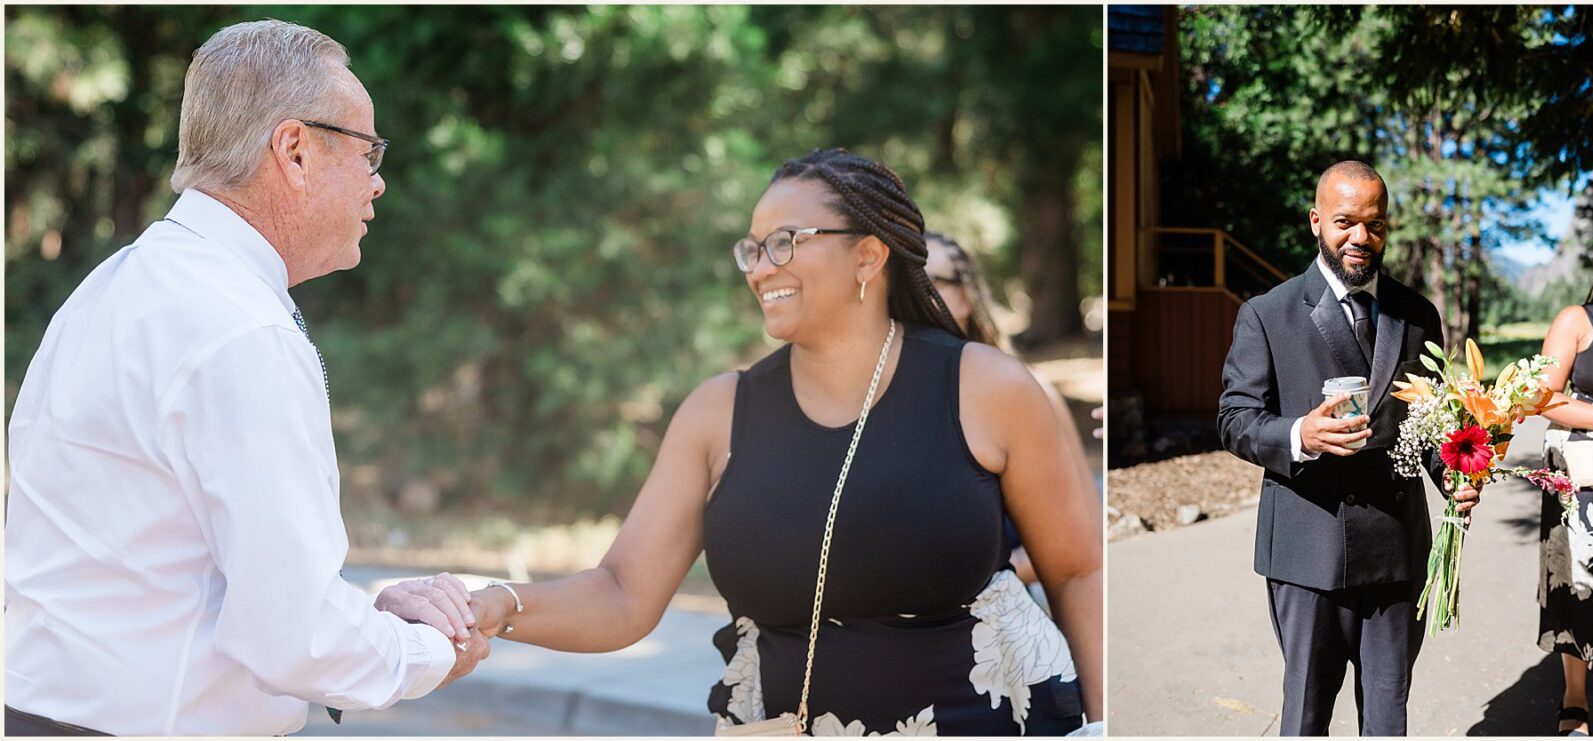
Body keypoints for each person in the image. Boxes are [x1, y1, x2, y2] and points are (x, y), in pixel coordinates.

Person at [465, 149, 1104, 735]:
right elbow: (622, 594)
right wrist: (497, 606)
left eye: (784, 242)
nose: (760, 268)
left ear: (869, 256)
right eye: (752, 248)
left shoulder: (986, 388)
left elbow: (1077, 572)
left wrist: (1108, 727)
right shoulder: (718, 412)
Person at [4, 21, 485, 736]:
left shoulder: (114, 285)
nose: (378, 180)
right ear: (293, 150)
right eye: (368, 150)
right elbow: (297, 637)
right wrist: (436, 647)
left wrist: (361, 612)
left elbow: (188, 570)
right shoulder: (241, 330)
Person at [1216, 161, 1482, 736]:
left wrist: (1454, 474)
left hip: (1396, 551)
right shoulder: (1266, 314)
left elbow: (1431, 425)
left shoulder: (1418, 316)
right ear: (1316, 222)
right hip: (1306, 554)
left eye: (1376, 225)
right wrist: (1299, 436)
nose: (1362, 238)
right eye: (1345, 222)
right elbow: (1234, 419)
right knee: (1306, 720)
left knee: (1388, 720)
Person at [922, 232, 1098, 587]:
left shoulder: (1029, 392)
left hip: (1004, 611)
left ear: (966, 297)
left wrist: (984, 582)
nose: (913, 298)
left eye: (929, 283)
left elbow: (1085, 533)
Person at [1537, 292, 1593, 736]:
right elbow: (1542, 396)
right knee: (1579, 584)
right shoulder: (1577, 319)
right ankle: (1575, 695)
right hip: (1584, 477)